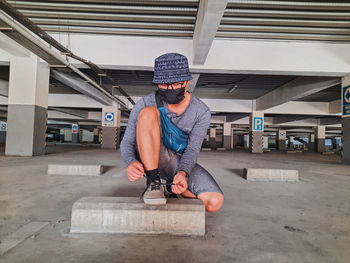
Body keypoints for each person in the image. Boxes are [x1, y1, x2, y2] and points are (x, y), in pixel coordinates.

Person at [120, 53, 224, 212]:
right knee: (148, 113)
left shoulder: (201, 111)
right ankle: (154, 183)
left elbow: (192, 150)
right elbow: (127, 142)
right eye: (164, 85)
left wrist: (183, 173)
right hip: (150, 156)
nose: (169, 89)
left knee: (214, 202)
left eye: (175, 84)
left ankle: (170, 187)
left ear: (187, 82)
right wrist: (131, 162)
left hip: (178, 161)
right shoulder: (145, 103)